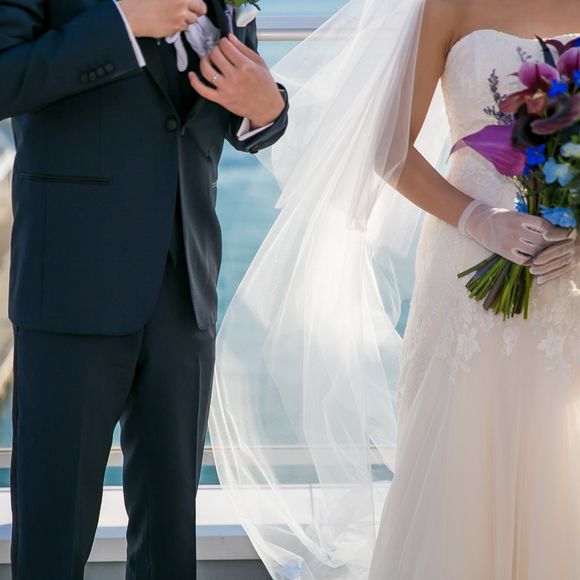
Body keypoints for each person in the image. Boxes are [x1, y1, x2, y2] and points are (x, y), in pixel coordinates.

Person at [208, 0, 580, 578]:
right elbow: (389, 147)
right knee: (460, 453)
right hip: (468, 260)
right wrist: (480, 220)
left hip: (568, 269)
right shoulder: (446, 5)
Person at [0, 0, 288, 578]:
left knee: (169, 542)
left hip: (185, 281)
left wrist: (267, 108)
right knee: (52, 540)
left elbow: (230, 96)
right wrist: (123, 24)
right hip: (71, 281)